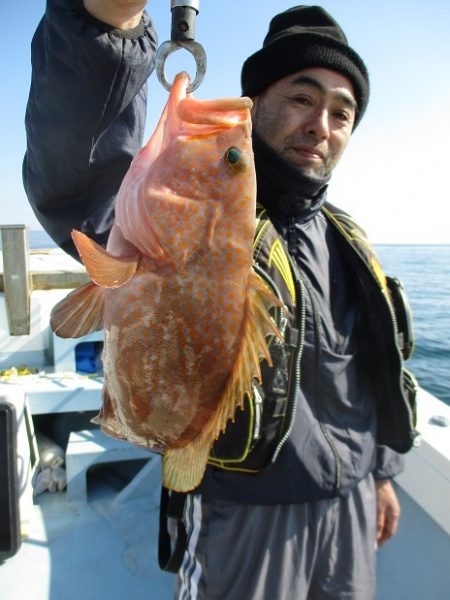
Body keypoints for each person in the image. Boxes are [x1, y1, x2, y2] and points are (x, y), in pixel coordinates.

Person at [24, 2, 418, 598]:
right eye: (302, 98)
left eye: (343, 112)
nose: (322, 124)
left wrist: (382, 474)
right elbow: (86, 169)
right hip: (244, 511)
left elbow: (366, 375)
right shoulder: (205, 207)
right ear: (255, 105)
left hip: (354, 504)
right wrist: (111, 25)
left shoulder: (347, 239)